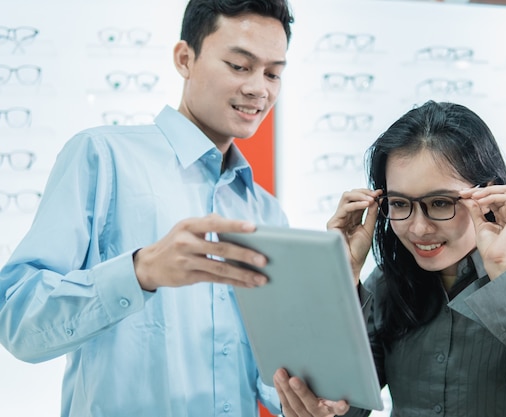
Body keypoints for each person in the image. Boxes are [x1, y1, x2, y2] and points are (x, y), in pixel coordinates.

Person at [0, 1, 294, 416]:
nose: (258, 89)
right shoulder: (101, 156)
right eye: (239, 66)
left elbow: (269, 379)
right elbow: (18, 321)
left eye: (273, 73)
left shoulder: (266, 212)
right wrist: (140, 272)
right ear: (184, 58)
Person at [274, 100, 506, 417]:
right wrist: (342, 281)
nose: (418, 228)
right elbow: (345, 409)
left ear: (487, 195)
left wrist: (505, 276)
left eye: (441, 203)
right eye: (400, 204)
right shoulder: (387, 285)